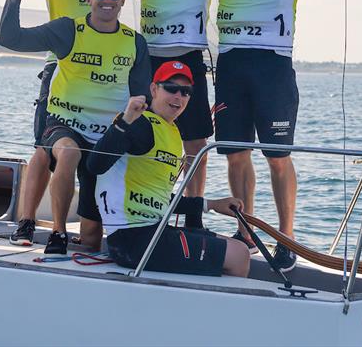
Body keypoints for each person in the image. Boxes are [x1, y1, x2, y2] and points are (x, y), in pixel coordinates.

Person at [62, 0, 310, 229]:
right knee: (135, 132)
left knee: (195, 141)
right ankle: (136, 210)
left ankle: (193, 217)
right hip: (150, 58)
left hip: (190, 57)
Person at [204, 0, 362, 271]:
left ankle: (286, 235)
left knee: (277, 155)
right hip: (231, 62)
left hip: (272, 63)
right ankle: (245, 228)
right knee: (235, 154)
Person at [0, 0, 134, 246]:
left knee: (94, 150)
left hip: (107, 65)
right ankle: (25, 222)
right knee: (43, 148)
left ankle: (99, 226)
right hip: (61, 62)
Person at [0, 0, 150, 254]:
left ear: (122, 1)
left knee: (93, 237)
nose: (108, 0)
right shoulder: (67, 29)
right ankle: (57, 232)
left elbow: (142, 97)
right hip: (65, 124)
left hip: (106, 137)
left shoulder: (135, 42)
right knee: (68, 154)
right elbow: (12, 40)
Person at [86, 61, 250, 277]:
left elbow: (160, 199)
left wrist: (211, 204)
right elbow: (95, 165)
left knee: (233, 249)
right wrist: (125, 120)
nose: (178, 97)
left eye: (186, 92)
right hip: (133, 239)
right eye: (171, 88)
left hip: (150, 232)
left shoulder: (171, 131)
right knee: (239, 254)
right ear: (154, 89)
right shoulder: (140, 124)